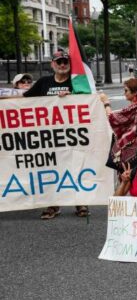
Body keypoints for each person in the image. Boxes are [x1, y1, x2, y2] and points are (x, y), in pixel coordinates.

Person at [25, 49, 86, 220]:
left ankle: (80, 201)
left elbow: (90, 100)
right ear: (52, 64)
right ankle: (53, 205)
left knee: (74, 168)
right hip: (49, 138)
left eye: (65, 62)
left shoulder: (76, 83)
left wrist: (72, 96)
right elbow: (24, 100)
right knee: (51, 170)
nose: (62, 65)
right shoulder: (44, 82)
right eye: (59, 62)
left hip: (73, 136)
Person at [99, 78, 137, 170]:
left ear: (135, 93)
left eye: (126, 90)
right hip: (134, 146)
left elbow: (112, 119)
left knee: (126, 177)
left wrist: (106, 102)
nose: (124, 93)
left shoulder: (135, 108)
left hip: (128, 149)